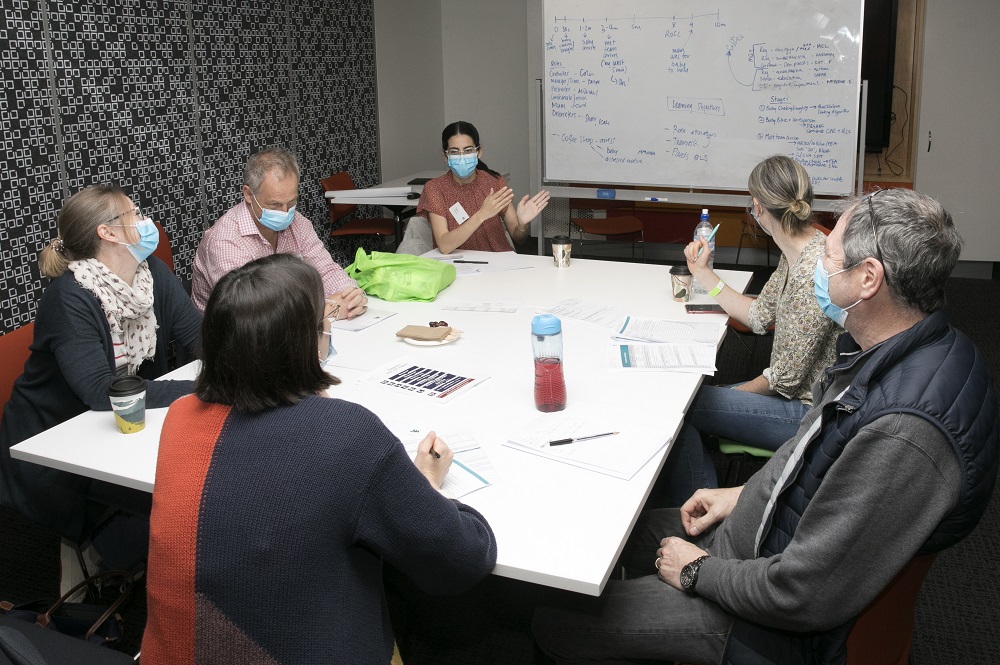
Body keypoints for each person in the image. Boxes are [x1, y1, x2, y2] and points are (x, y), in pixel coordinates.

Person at [533, 188, 998, 665]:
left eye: (830, 254)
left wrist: (699, 574)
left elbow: (803, 592)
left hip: (766, 623)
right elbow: (810, 457)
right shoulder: (898, 349)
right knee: (601, 533)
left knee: (555, 622)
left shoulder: (905, 431)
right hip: (757, 538)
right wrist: (737, 496)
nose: (820, 262)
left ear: (867, 279)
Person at [142, 254, 497, 664]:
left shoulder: (181, 416)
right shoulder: (345, 434)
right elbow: (461, 560)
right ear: (307, 342)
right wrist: (428, 484)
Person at [0, 185, 200, 566]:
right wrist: (202, 389)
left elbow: (199, 336)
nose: (145, 222)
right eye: (135, 215)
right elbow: (99, 391)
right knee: (188, 507)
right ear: (107, 233)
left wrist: (248, 362)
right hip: (57, 450)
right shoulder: (69, 297)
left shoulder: (150, 273)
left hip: (125, 429)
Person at [659, 155, 840, 506]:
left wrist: (732, 392)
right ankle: (703, 498)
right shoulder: (800, 253)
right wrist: (704, 275)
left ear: (757, 206)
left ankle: (703, 519)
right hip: (800, 397)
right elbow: (757, 316)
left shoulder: (808, 274)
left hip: (807, 414)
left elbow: (782, 381)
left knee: (680, 406)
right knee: (695, 400)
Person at [191, 146, 368, 320]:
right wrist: (326, 309)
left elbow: (326, 270)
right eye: (275, 205)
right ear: (248, 194)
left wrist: (351, 297)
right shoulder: (225, 240)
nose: (285, 213)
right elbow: (250, 313)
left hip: (291, 326)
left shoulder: (298, 223)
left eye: (291, 203)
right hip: (232, 339)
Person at [417, 121, 551, 254]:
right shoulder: (435, 188)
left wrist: (522, 224)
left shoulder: (494, 182)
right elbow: (444, 246)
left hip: (499, 263)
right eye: (455, 152)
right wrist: (481, 215)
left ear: (479, 152)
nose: (462, 157)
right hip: (457, 266)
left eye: (468, 150)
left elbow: (519, 238)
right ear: (446, 156)